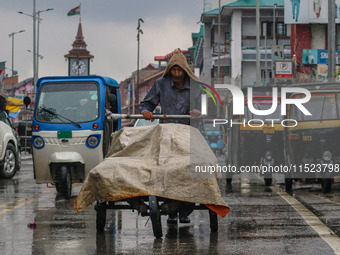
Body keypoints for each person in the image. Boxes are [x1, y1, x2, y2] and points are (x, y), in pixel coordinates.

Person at [139, 48, 201, 224]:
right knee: (166, 171)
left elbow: (204, 106)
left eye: (179, 70)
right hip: (167, 133)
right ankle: (170, 209)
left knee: (189, 171)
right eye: (173, 70)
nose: (176, 73)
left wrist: (198, 111)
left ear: (184, 70)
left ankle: (185, 211)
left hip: (188, 134)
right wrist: (146, 112)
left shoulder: (195, 85)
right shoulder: (160, 83)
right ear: (169, 70)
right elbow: (146, 104)